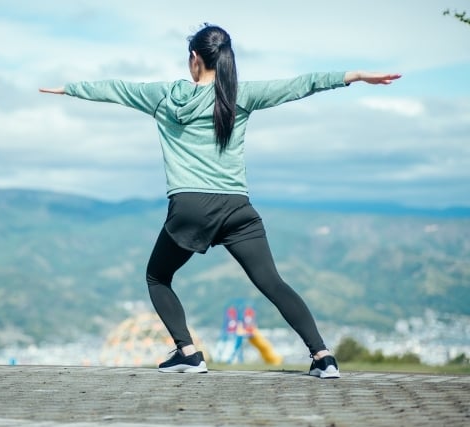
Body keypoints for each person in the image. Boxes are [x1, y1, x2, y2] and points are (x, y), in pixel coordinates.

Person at [39, 23, 400, 378]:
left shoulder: (164, 95)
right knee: (272, 282)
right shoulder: (239, 95)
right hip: (236, 208)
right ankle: (323, 357)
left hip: (191, 206)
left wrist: (69, 89)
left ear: (194, 58)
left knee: (157, 276)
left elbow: (115, 88)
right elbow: (300, 85)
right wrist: (354, 75)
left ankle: (188, 352)